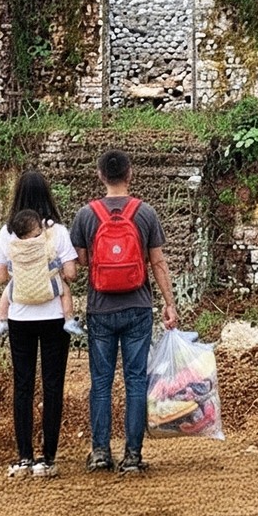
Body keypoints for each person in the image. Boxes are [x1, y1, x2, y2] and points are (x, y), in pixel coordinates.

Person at [70, 149, 178, 474]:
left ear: (100, 175)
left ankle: (100, 453)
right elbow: (157, 262)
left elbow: (81, 262)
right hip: (138, 307)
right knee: (135, 380)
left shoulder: (86, 215)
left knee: (101, 382)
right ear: (130, 174)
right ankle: (132, 455)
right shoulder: (145, 213)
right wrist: (169, 303)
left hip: (100, 309)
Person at [0, 170, 78, 479]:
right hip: (54, 317)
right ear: (47, 195)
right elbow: (71, 273)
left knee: (23, 385)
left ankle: (24, 456)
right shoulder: (58, 231)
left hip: (19, 317)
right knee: (53, 385)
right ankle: (48, 458)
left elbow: (0, 276)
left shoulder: (8, 233)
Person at [0, 209, 84, 339]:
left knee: (7, 291)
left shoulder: (11, 241)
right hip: (53, 312)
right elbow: (71, 274)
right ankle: (69, 320)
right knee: (65, 290)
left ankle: (2, 319)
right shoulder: (50, 235)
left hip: (19, 313)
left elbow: (1, 277)